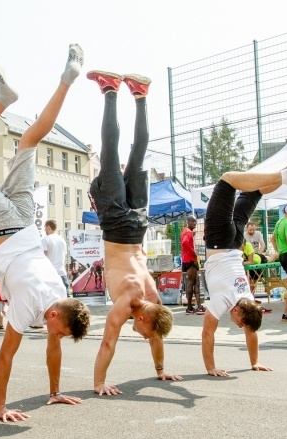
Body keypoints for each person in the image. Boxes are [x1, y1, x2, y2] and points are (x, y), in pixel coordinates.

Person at [0, 46, 90, 421]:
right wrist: (0, 408)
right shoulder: (32, 303)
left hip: (27, 221)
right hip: (3, 226)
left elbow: (53, 349)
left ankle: (66, 78)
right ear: (58, 318)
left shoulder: (62, 295)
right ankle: (2, 100)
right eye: (59, 331)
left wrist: (56, 391)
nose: (55, 335)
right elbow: (6, 355)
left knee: (29, 139)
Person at [85, 71, 178, 395]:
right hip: (115, 224)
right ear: (143, 320)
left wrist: (161, 370)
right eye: (143, 332)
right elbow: (107, 344)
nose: (141, 335)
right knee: (110, 150)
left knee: (138, 153)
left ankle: (140, 96)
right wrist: (99, 383)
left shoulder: (155, 301)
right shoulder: (128, 300)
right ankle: (110, 90)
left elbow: (157, 337)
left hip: (139, 224)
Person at [201, 142, 287, 376]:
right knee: (227, 179)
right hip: (219, 239)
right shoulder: (223, 301)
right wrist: (210, 368)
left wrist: (255, 362)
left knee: (255, 189)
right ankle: (286, 174)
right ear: (239, 312)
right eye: (240, 322)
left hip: (235, 242)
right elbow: (207, 334)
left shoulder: (248, 299)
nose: (239, 326)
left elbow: (252, 330)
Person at [180, 216, 204, 315]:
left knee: (194, 282)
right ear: (188, 222)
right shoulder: (188, 232)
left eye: (195, 221)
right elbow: (184, 242)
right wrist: (193, 252)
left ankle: (195, 307)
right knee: (193, 283)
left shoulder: (186, 231)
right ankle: (193, 307)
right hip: (191, 261)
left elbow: (184, 241)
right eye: (192, 221)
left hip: (186, 260)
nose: (194, 223)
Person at [42, 220, 69, 294]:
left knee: (51, 301)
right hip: (62, 273)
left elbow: (42, 257)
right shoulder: (62, 240)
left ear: (48, 227)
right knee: (66, 300)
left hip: (50, 274)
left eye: (45, 227)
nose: (44, 230)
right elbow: (64, 256)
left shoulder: (45, 240)